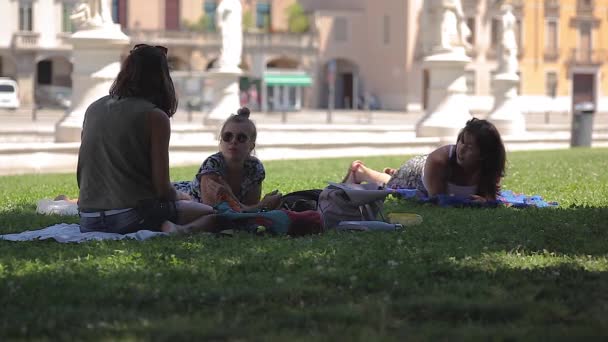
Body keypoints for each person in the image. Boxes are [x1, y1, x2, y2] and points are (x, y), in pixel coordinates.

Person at [76, 44, 221, 235]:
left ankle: (175, 227)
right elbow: (163, 190)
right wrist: (183, 197)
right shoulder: (155, 116)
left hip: (88, 219)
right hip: (130, 216)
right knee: (215, 215)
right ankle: (180, 231)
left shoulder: (93, 109)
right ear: (162, 77)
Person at [342, 118, 506, 202]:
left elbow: (492, 195)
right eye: (462, 141)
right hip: (418, 170)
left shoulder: (491, 166)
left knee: (393, 179)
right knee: (394, 185)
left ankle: (370, 172)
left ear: (484, 154)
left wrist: (486, 200)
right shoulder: (440, 160)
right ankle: (361, 173)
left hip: (428, 173)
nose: (461, 149)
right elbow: (439, 199)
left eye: (470, 147)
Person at [173, 107, 282, 211]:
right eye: (227, 136)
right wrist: (262, 205)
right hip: (179, 195)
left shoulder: (254, 168)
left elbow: (247, 211)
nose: (233, 141)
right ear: (221, 141)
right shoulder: (212, 164)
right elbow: (216, 212)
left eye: (241, 138)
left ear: (251, 146)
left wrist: (232, 198)